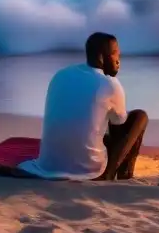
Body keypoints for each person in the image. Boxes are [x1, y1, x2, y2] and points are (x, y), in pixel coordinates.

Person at [20, 32, 149, 181]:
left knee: (104, 122)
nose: (119, 60)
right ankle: (114, 173)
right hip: (88, 169)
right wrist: (112, 79)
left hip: (48, 165)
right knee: (140, 116)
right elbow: (119, 123)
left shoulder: (61, 74)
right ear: (102, 57)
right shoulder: (110, 84)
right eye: (115, 55)